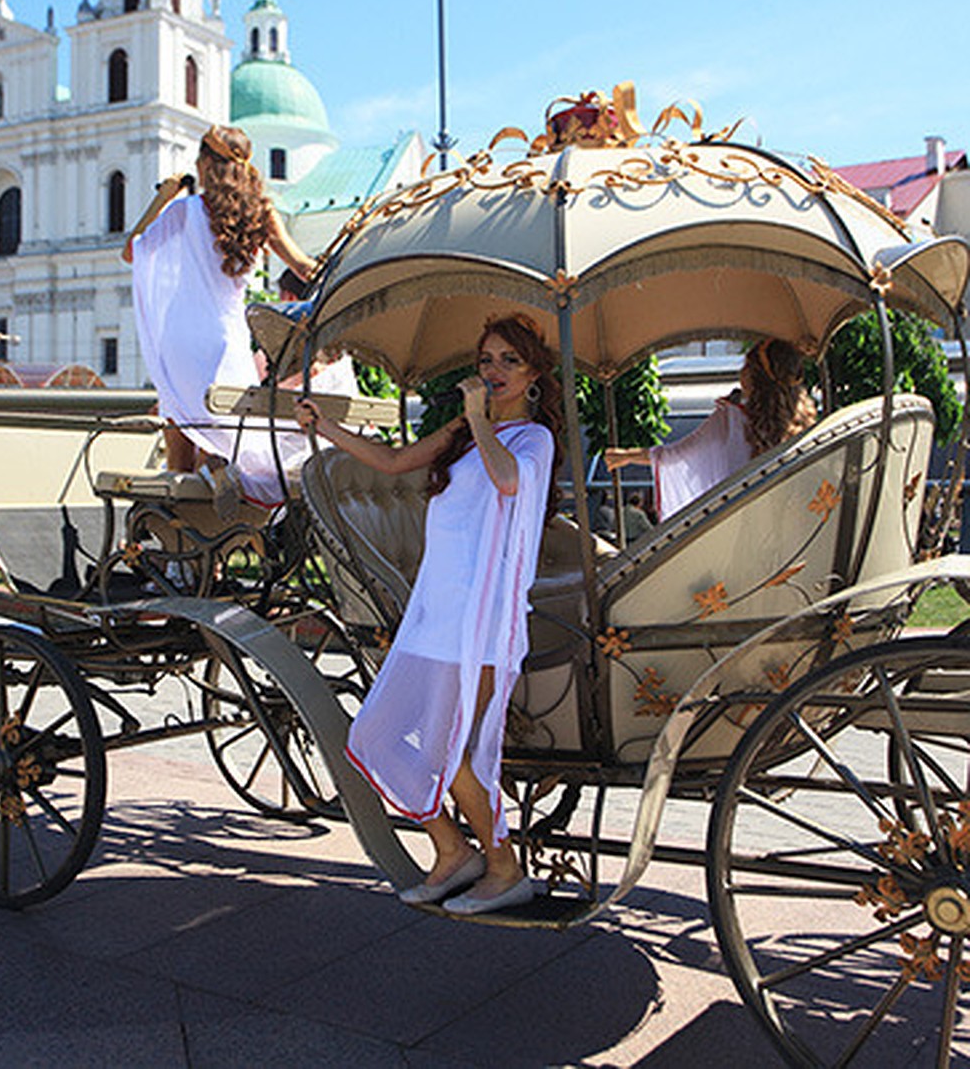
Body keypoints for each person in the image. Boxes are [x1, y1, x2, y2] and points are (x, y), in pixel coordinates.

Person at [295, 314, 562, 915]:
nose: (492, 372)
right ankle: (452, 851)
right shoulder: (466, 432)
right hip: (437, 614)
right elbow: (392, 463)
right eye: (486, 360)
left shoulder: (532, 440)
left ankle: (505, 867)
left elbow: (509, 483)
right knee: (374, 736)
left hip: (484, 622)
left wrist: (476, 420)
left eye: (508, 362)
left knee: (455, 757)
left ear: (535, 374)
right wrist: (327, 427)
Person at [130, 125, 319, 485]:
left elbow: (132, 249)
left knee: (179, 459)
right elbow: (304, 267)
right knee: (227, 436)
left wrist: (163, 199)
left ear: (205, 164)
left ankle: (186, 512)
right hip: (227, 344)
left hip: (181, 345)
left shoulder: (183, 211)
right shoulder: (261, 214)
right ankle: (217, 470)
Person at [604, 338, 817, 521]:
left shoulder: (731, 418)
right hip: (797, 522)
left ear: (755, 377)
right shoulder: (807, 420)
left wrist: (628, 456)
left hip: (746, 526)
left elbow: (679, 453)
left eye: (746, 367)